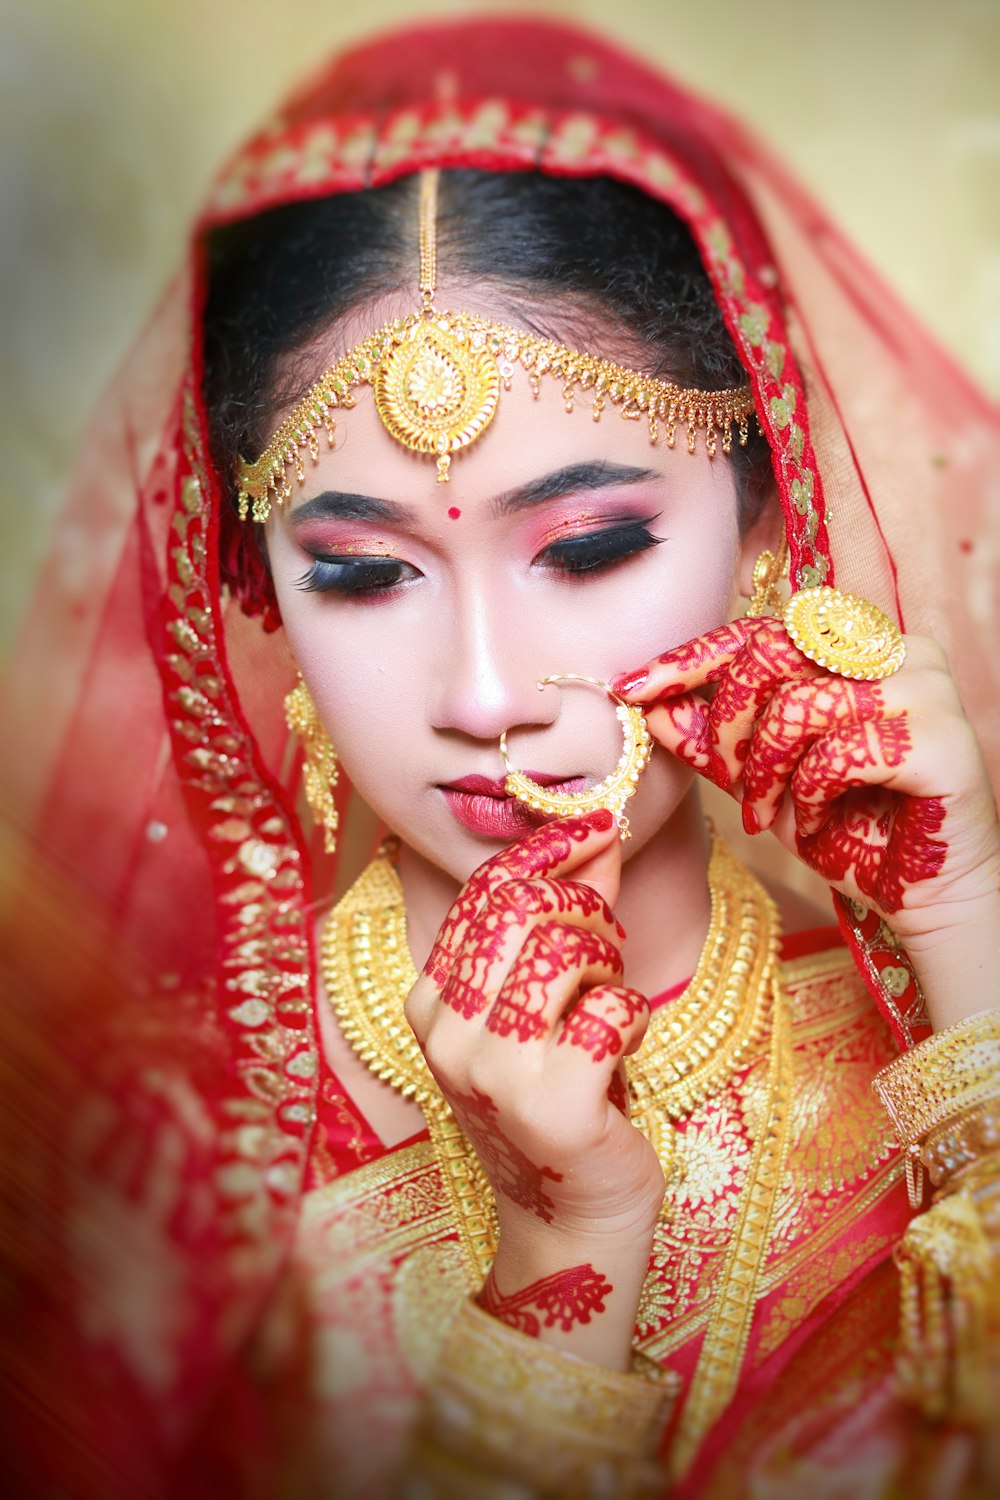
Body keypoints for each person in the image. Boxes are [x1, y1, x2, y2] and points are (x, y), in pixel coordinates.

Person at [3, 15, 998, 1499]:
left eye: (589, 548)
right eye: (362, 572)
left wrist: (966, 935)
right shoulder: (159, 1169)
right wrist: (561, 1257)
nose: (483, 698)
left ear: (766, 524)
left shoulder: (913, 1058)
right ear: (257, 593)